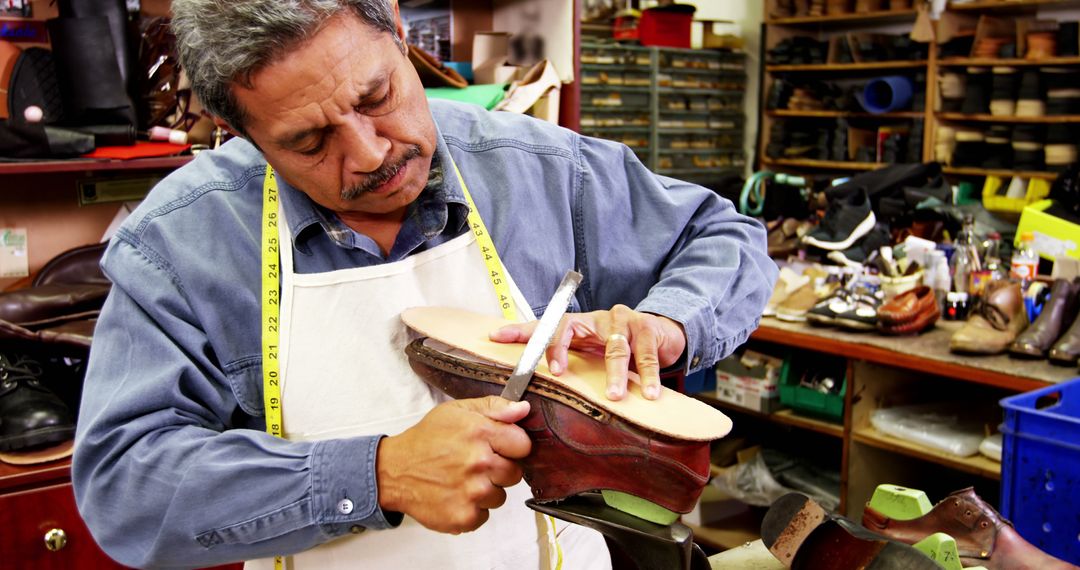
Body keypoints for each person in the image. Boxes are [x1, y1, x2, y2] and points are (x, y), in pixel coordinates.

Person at [71, 1, 776, 568]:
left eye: (377, 96)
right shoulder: (181, 242)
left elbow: (724, 237)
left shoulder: (535, 168)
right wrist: (377, 475)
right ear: (241, 131)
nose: (372, 154)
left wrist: (665, 322)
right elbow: (125, 488)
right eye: (311, 142)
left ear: (400, 30)